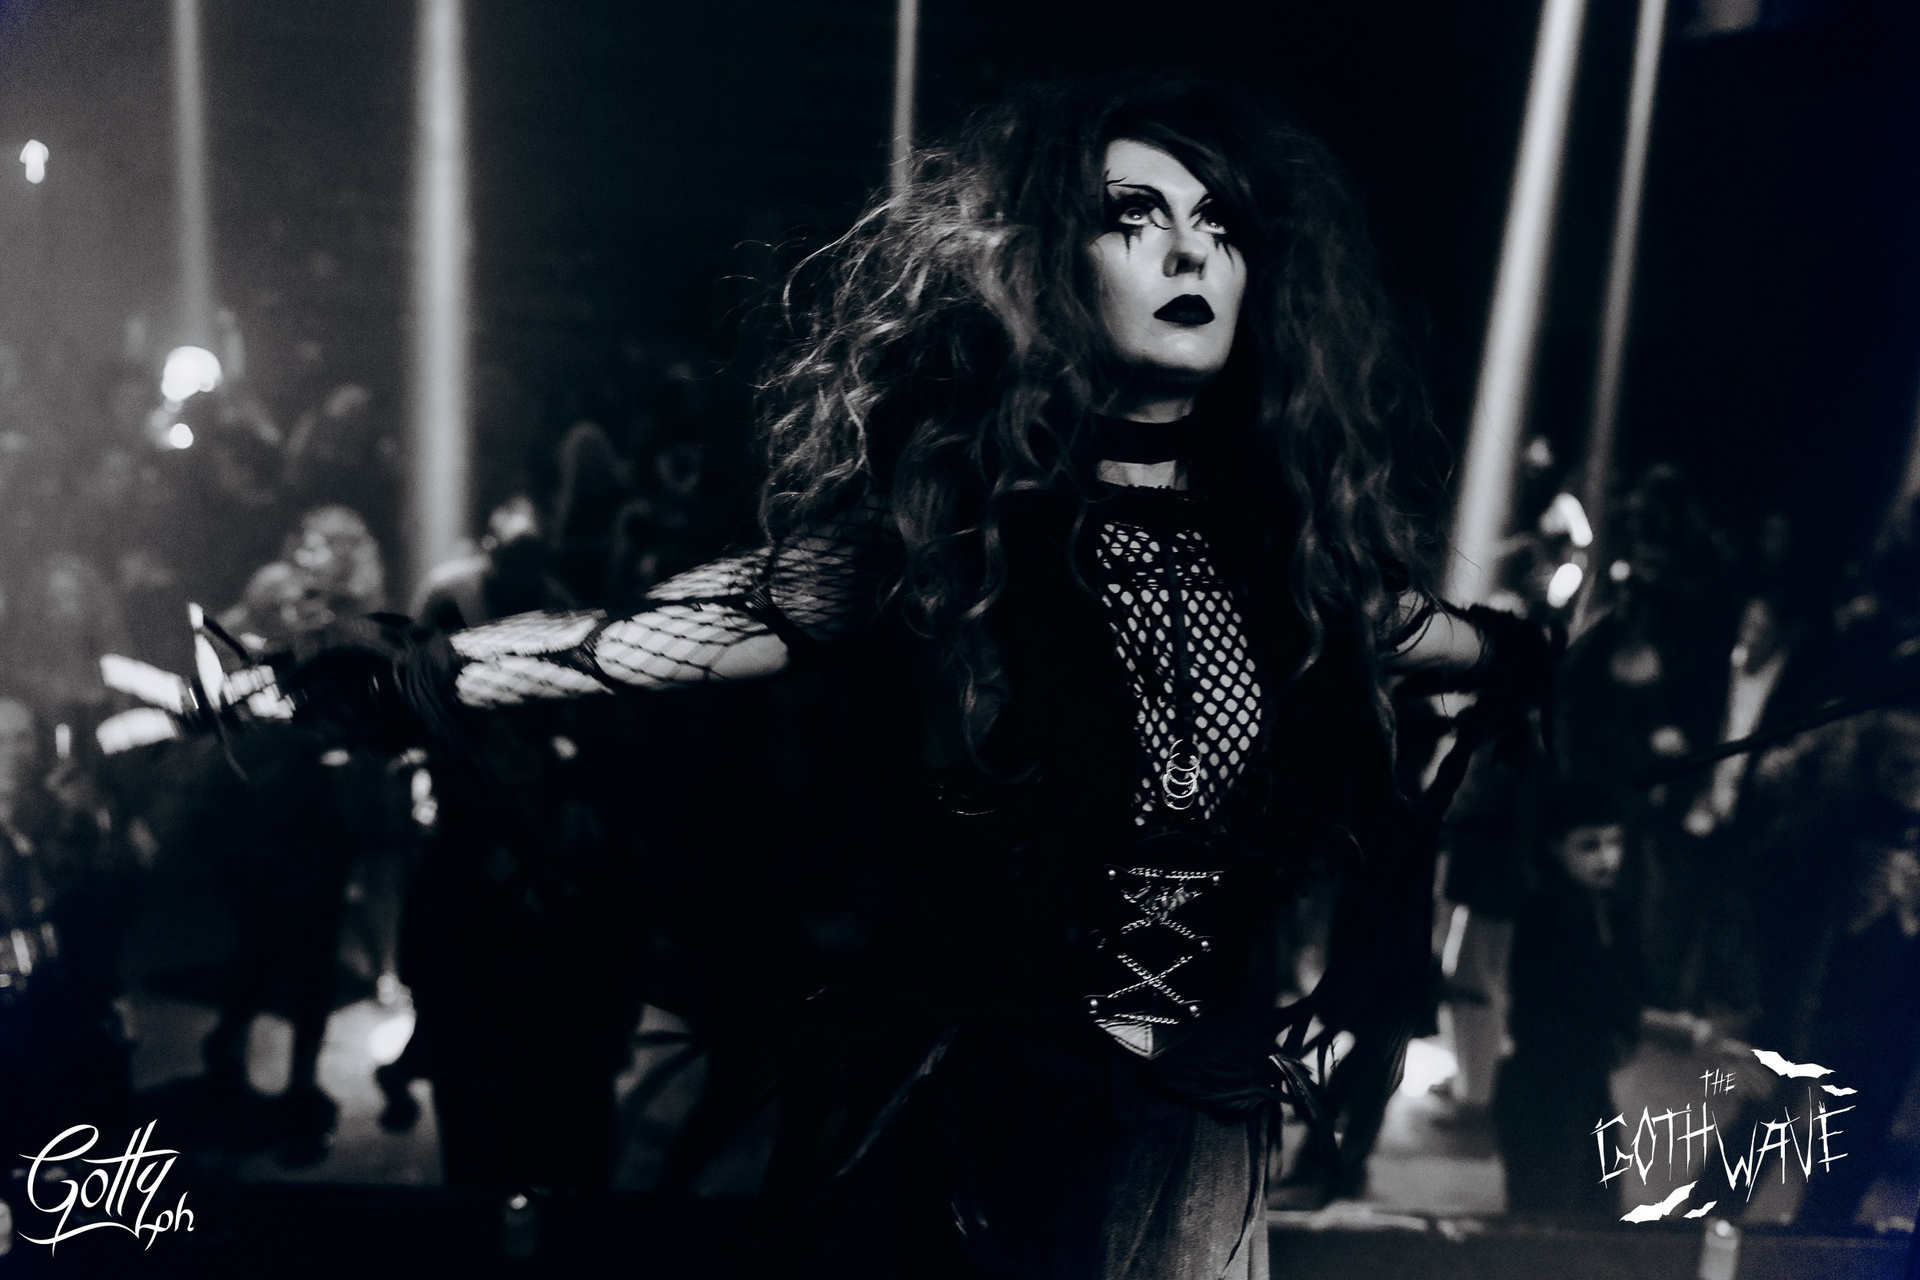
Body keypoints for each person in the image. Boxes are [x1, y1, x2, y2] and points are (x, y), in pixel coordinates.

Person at [255, 77, 1548, 1278]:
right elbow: (698, 621)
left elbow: (1459, 644)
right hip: (1003, 1123)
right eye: (1133, 217)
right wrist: (423, 670)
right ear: (1050, 266)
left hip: (1204, 1132)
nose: (1187, 252)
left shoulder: (1294, 567)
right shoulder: (965, 536)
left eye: (1219, 224)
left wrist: (1526, 654)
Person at [1492, 780, 1642, 1219]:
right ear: (1555, 847)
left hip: (1580, 1080)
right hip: (1546, 1088)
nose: (1608, 858)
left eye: (1615, 842)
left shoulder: (1602, 906)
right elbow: (1580, 1000)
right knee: (1553, 1213)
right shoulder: (1550, 913)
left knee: (1591, 1209)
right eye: (1589, 845)